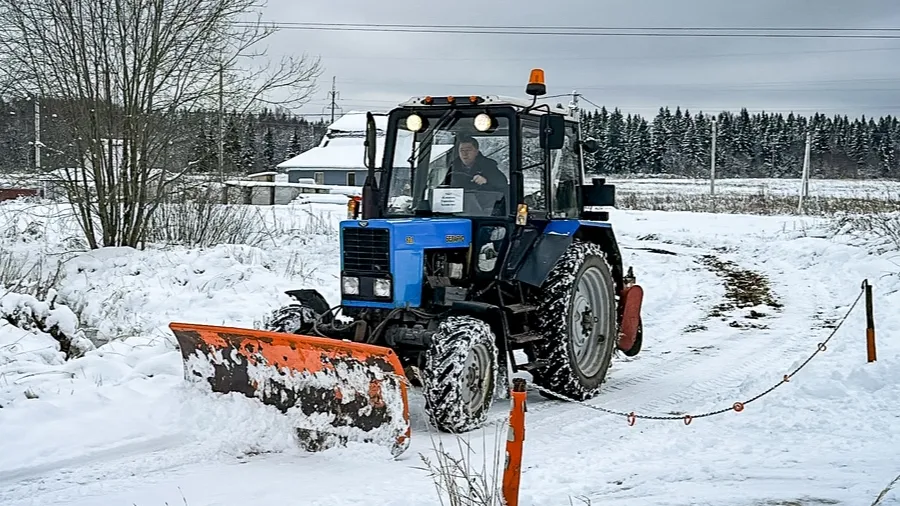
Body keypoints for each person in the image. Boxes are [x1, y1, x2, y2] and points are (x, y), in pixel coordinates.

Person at [444, 135, 508, 194]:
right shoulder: (453, 167)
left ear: (476, 152)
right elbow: (444, 186)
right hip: (458, 202)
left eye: (468, 150)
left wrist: (486, 181)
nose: (465, 153)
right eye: (462, 150)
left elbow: (502, 184)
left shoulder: (488, 166)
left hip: (484, 204)